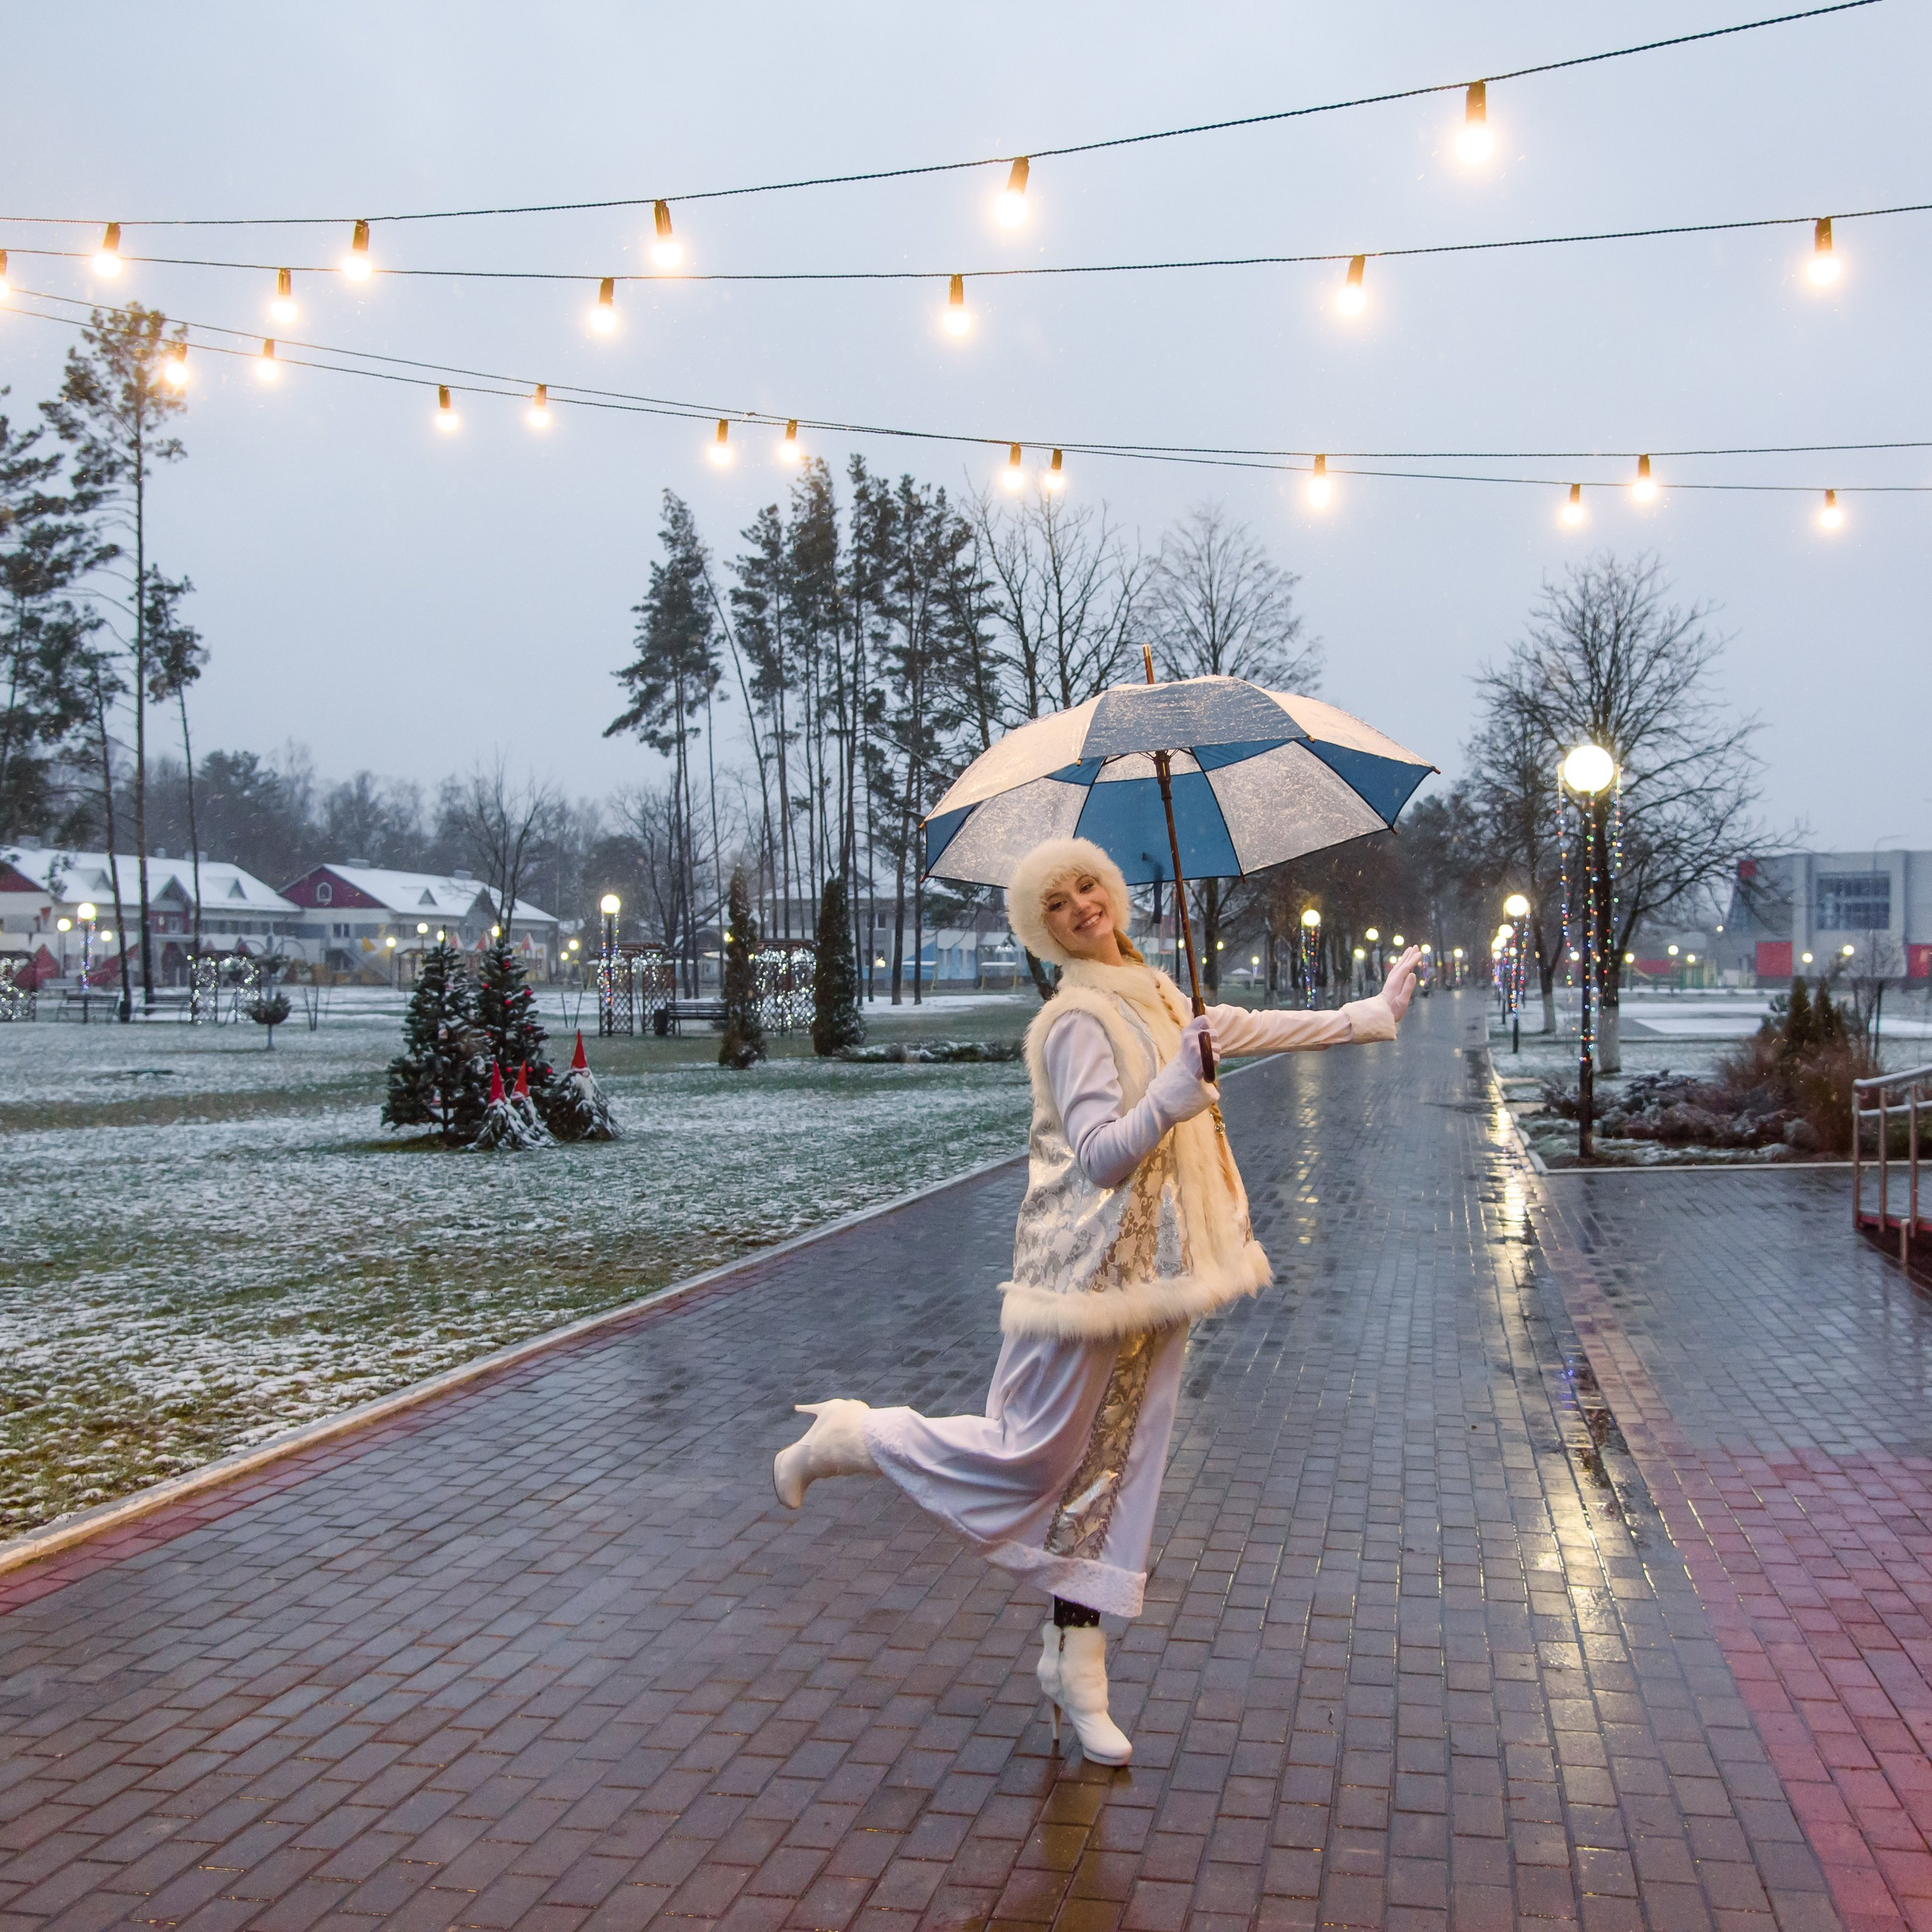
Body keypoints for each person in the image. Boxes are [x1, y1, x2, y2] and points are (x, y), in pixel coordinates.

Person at [774, 835, 1420, 1764]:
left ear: (1111, 891)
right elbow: (1099, 1157)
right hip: (1077, 1276)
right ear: (1045, 931)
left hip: (1154, 1276)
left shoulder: (1157, 992)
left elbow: (1243, 1026)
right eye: (1057, 903)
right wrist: (1167, 1095)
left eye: (1089, 886)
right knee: (1029, 1453)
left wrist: (1368, 1013)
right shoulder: (1074, 1018)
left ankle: (1077, 1667)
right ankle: (854, 1435)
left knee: (1115, 1471)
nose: (1082, 905)